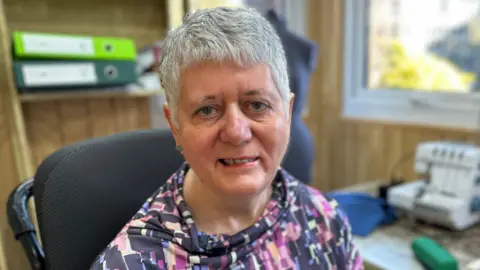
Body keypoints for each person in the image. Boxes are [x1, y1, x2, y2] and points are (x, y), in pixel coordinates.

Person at [90, 6, 363, 270]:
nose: (236, 132)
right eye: (207, 110)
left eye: (257, 105)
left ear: (288, 113)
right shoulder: (132, 262)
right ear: (175, 126)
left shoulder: (326, 221)